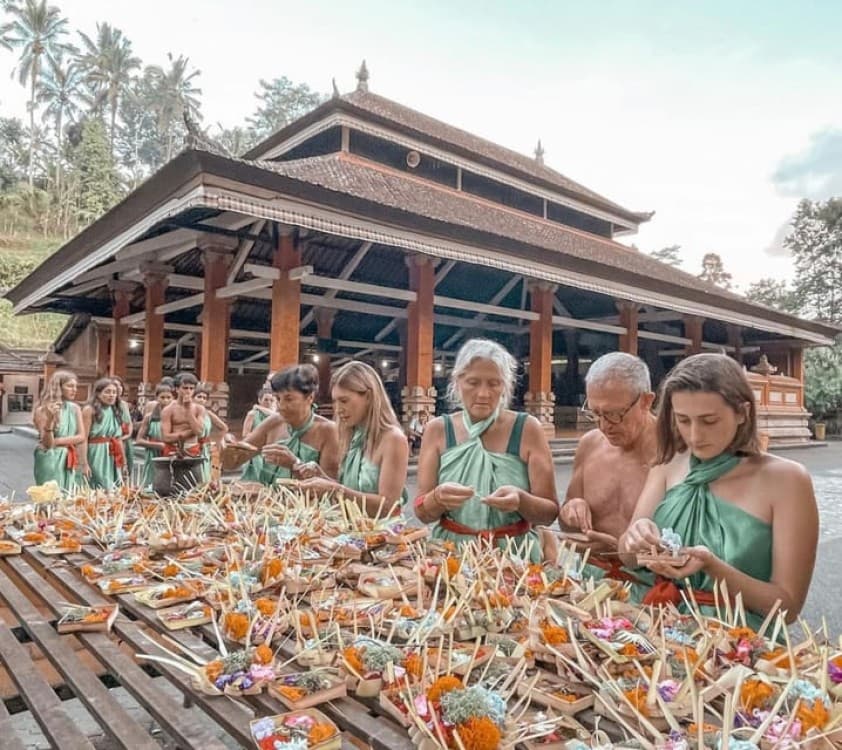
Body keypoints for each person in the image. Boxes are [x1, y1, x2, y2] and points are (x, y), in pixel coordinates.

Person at [618, 353, 818, 627]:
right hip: (653, 621)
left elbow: (788, 607)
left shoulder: (786, 480)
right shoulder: (668, 464)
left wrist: (713, 567)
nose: (695, 436)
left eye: (709, 421)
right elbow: (627, 557)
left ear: (742, 413)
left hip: (736, 634)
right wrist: (634, 537)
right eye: (683, 420)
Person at [414, 338, 558, 561]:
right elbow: (422, 513)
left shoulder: (527, 429)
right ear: (457, 382)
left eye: (494, 384)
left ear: (505, 386)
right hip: (452, 556)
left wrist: (521, 500)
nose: (483, 393)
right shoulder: (438, 430)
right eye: (473, 382)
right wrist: (437, 498)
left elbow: (549, 513)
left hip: (515, 559)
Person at [557, 353, 657, 558]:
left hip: (652, 575)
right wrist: (571, 510)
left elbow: (687, 544)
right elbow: (567, 524)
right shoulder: (590, 444)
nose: (604, 426)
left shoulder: (673, 453)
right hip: (593, 572)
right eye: (595, 414)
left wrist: (619, 549)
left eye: (614, 414)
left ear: (646, 402)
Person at [298, 361, 407, 516]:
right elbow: (352, 492)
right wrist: (321, 478)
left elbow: (387, 506)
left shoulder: (393, 439)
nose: (338, 410)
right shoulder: (353, 435)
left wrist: (334, 489)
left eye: (344, 401)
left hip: (382, 530)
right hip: (351, 526)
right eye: (335, 402)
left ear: (368, 397)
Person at [229, 365, 339, 486]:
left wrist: (294, 464)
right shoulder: (272, 423)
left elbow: (331, 487)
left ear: (310, 397)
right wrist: (225, 444)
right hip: (268, 498)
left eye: (289, 399)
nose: (281, 406)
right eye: (278, 398)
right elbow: (233, 461)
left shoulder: (328, 431)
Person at [32, 369, 85, 492]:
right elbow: (48, 444)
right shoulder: (42, 410)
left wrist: (58, 441)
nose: (74, 390)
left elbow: (82, 436)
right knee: (51, 496)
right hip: (49, 458)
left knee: (70, 496)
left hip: (69, 456)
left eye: (76, 386)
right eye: (70, 386)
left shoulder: (75, 408)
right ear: (58, 387)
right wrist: (50, 420)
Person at [82, 378, 126, 488]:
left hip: (112, 452)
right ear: (98, 394)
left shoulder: (115, 410)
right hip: (95, 452)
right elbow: (83, 439)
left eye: (114, 392)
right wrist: (84, 463)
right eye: (107, 392)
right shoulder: (89, 410)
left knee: (113, 487)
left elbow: (118, 439)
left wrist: (124, 462)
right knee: (97, 485)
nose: (111, 395)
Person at [136, 382, 175, 489]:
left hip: (171, 453)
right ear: (157, 398)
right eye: (162, 397)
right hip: (153, 454)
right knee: (152, 482)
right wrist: (157, 445)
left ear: (173, 398)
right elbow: (139, 440)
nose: (166, 400)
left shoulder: (176, 417)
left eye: (168, 397)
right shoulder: (149, 418)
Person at [161, 372, 206, 456]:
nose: (188, 391)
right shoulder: (168, 409)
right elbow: (166, 437)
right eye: (185, 388)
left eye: (191, 388)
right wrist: (190, 432)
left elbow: (199, 432)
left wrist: (188, 409)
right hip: (173, 449)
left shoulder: (199, 409)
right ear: (177, 389)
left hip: (192, 449)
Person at [193, 384, 229, 483]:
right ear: (192, 398)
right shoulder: (189, 412)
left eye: (204, 398)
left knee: (206, 476)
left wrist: (218, 441)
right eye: (199, 397)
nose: (202, 400)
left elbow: (223, 428)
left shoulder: (207, 413)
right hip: (191, 447)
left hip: (205, 447)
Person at [239, 388, 278, 481]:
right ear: (259, 400)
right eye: (266, 400)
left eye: (271, 400)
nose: (268, 402)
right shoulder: (253, 414)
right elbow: (245, 434)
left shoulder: (275, 416)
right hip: (256, 453)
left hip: (270, 451)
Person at [111, 376, 136, 484]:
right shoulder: (108, 405)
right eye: (115, 385)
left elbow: (129, 423)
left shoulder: (124, 405)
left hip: (126, 440)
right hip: (115, 440)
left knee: (127, 469)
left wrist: (128, 434)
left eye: (120, 386)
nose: (118, 388)